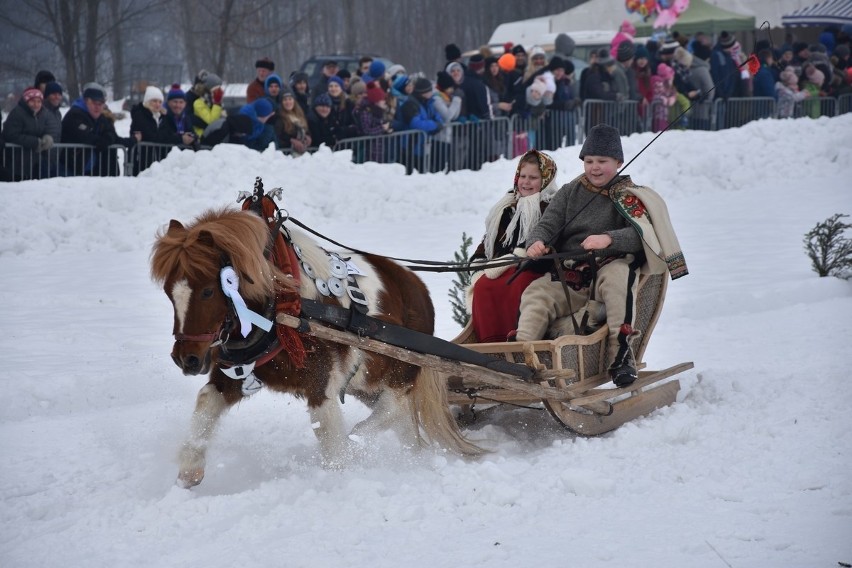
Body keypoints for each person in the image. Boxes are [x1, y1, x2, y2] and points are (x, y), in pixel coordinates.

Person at [516, 124, 687, 387]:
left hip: (610, 266)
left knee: (620, 276)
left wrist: (608, 239)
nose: (595, 167)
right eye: (589, 161)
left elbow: (643, 236)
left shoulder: (628, 196)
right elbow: (547, 224)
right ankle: (521, 358)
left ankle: (620, 357)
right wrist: (537, 241)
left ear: (618, 162)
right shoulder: (570, 192)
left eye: (602, 161)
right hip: (571, 273)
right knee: (536, 294)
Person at [468, 150, 559, 343]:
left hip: (534, 267)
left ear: (545, 179)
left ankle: (516, 337)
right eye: (522, 176)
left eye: (533, 178)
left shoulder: (550, 207)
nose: (526, 182)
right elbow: (489, 240)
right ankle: (488, 342)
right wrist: (478, 261)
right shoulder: (506, 207)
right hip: (499, 268)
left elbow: (550, 239)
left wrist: (517, 258)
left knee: (517, 283)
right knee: (483, 285)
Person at [61, 82, 132, 176]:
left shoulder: (100, 117)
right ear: (86, 101)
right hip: (72, 170)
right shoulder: (74, 115)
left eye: (101, 104)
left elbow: (110, 133)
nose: (97, 107)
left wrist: (109, 138)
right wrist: (102, 140)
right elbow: (86, 136)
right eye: (94, 103)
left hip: (95, 171)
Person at [2, 87, 52, 180]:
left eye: (39, 101)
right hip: (15, 163)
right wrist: (35, 142)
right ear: (26, 101)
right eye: (32, 101)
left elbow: (42, 130)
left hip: (33, 162)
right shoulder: (17, 113)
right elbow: (11, 134)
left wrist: (47, 136)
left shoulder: (42, 114)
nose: (36, 104)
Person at [129, 85, 166, 174]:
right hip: (140, 159)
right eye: (154, 101)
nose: (157, 104)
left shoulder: (158, 116)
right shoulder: (140, 115)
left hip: (152, 159)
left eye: (160, 102)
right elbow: (151, 136)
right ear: (147, 101)